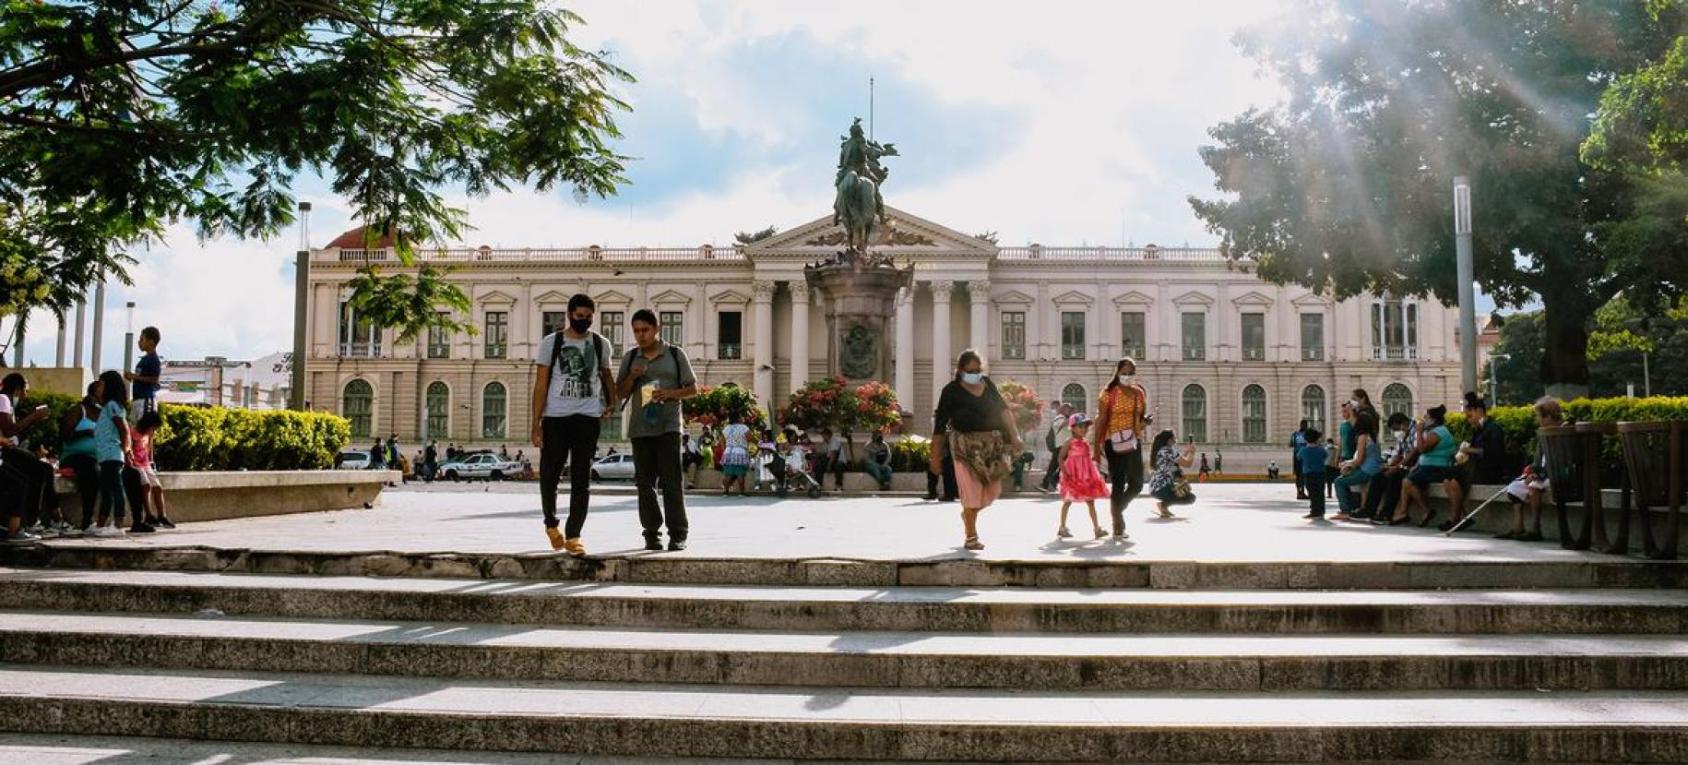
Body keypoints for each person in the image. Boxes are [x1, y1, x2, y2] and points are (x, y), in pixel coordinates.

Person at [531, 292, 617, 556]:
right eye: (580, 316)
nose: (585, 321)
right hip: (556, 419)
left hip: (587, 419)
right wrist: (536, 424)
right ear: (570, 314)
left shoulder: (601, 344)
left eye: (590, 317)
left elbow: (606, 374)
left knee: (582, 480)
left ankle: (574, 535)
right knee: (549, 476)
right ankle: (551, 524)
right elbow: (542, 384)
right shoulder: (552, 343)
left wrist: (611, 401)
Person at [615, 308, 698, 551]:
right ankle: (651, 532)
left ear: (656, 329)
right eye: (636, 331)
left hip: (669, 427)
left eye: (645, 330)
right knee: (644, 484)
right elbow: (620, 393)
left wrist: (670, 394)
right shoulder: (631, 358)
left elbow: (692, 388)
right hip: (640, 428)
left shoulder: (674, 354)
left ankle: (678, 533)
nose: (641, 335)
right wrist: (632, 376)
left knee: (672, 482)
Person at [930, 349, 1021, 551]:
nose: (974, 373)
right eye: (970, 370)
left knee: (993, 491)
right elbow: (939, 427)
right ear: (961, 370)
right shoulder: (951, 391)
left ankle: (968, 514)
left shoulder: (988, 385)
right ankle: (971, 536)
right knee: (971, 493)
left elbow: (1004, 410)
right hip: (964, 447)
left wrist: (1015, 436)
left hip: (991, 447)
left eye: (978, 369)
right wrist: (934, 458)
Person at [1, 372, 70, 540]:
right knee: (35, 474)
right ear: (18, 389)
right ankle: (33, 521)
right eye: (26, 390)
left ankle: (44, 519)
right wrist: (33, 416)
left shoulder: (8, 402)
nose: (26, 395)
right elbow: (10, 430)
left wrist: (33, 420)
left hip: (9, 448)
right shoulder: (3, 399)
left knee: (42, 470)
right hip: (6, 450)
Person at [1093, 357, 1149, 538]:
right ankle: (1119, 525)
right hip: (1112, 441)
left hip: (1133, 440)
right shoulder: (1108, 393)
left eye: (1131, 373)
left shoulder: (1138, 393)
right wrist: (1096, 448)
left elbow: (1140, 417)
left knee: (1137, 484)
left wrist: (1144, 422)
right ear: (1117, 372)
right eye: (1124, 372)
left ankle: (1117, 511)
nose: (1127, 376)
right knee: (1117, 483)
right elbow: (1100, 421)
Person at [1499, 397, 1562, 541]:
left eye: (1540, 417)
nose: (1538, 421)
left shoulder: (1563, 432)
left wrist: (1540, 475)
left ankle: (1535, 529)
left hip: (1556, 476)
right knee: (1514, 487)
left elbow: (1561, 461)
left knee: (1534, 486)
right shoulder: (1543, 434)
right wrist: (1532, 471)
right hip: (1542, 476)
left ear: (1549, 416)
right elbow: (1537, 461)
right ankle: (1518, 527)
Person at [92, 370, 147, 535]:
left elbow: (123, 429)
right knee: (107, 490)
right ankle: (101, 524)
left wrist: (126, 449)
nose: (98, 388)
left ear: (109, 387)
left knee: (115, 489)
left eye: (101, 384)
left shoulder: (112, 406)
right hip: (106, 455)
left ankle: (117, 524)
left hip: (112, 454)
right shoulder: (108, 407)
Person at [1400, 405, 1460, 528]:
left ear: (1432, 420)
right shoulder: (1434, 431)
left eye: (1426, 417)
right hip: (1427, 467)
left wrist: (1419, 431)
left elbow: (1422, 449)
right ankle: (1407, 511)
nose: (1424, 420)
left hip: (1438, 468)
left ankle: (1426, 510)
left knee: (1407, 482)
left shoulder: (1438, 432)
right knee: (1408, 480)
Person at [59, 380, 105, 532]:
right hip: (74, 457)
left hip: (96, 457)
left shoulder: (104, 413)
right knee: (91, 470)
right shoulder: (79, 410)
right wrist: (85, 433)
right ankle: (87, 519)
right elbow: (65, 435)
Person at [1055, 414, 1109, 539]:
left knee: (1091, 502)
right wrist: (1065, 472)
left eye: (1085, 427)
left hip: (1086, 476)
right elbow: (1060, 458)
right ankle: (1062, 527)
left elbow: (1088, 459)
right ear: (1072, 428)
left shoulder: (1085, 443)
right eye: (1080, 427)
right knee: (1067, 501)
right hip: (1072, 475)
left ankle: (1097, 529)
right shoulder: (1069, 442)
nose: (1083, 429)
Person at [1369, 412, 1421, 525]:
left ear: (1403, 423)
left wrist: (1398, 467)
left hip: (1414, 466)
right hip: (1402, 464)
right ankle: (1370, 511)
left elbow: (1415, 452)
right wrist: (1390, 465)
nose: (1396, 432)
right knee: (1378, 477)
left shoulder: (1416, 429)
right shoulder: (1402, 435)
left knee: (1394, 479)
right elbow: (1398, 453)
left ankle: (1387, 513)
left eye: (1396, 429)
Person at [1332, 407, 1382, 522]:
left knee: (1339, 482)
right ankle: (1357, 508)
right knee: (1357, 483)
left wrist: (1346, 464)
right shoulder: (1374, 436)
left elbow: (1359, 460)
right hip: (1375, 468)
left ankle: (1345, 511)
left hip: (1367, 470)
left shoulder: (1362, 437)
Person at [131, 411, 174, 528]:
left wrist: (151, 461)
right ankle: (149, 515)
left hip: (145, 463)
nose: (153, 431)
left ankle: (162, 515)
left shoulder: (148, 434)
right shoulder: (133, 432)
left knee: (158, 487)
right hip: (135, 464)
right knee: (146, 485)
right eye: (153, 428)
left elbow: (148, 449)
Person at [1146, 429, 1196, 519]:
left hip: (1155, 488)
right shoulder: (1169, 450)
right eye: (1174, 438)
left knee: (1186, 494)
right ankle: (1163, 505)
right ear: (1169, 440)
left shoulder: (1160, 450)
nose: (1176, 440)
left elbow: (1177, 461)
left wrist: (1187, 452)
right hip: (1163, 488)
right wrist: (1192, 452)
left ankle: (1164, 507)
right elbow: (1187, 464)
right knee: (1190, 498)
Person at [124, 326, 162, 422]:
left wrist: (134, 377)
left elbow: (154, 379)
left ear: (151, 342)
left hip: (146, 400)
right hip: (138, 399)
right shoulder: (144, 359)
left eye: (142, 339)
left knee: (143, 430)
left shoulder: (153, 359)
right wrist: (133, 378)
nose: (139, 342)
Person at [1038, 402, 1075, 494]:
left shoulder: (1066, 419)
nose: (1069, 411)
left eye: (1070, 409)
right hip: (1060, 446)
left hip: (1064, 445)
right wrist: (1073, 419)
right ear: (1063, 409)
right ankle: (1049, 483)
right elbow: (1061, 425)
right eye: (1067, 409)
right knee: (1057, 465)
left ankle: (1047, 484)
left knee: (1057, 465)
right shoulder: (1060, 418)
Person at [1299, 428, 1328, 520]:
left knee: (1312, 493)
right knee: (1320, 492)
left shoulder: (1303, 450)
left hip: (1308, 474)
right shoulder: (1321, 450)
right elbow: (1325, 456)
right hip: (1320, 473)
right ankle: (1321, 510)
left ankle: (1314, 511)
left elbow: (1299, 457)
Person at [719, 413, 752, 496]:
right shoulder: (743, 427)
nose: (743, 418)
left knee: (728, 473)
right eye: (741, 416)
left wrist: (725, 450)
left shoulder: (727, 428)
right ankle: (742, 492)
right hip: (739, 452)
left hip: (728, 452)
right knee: (740, 472)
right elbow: (750, 438)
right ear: (738, 418)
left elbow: (722, 441)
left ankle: (725, 492)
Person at [1290, 420, 1310, 499]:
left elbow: (1291, 444)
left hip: (1296, 456)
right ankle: (1303, 492)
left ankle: (1299, 492)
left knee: (1298, 475)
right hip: (1305, 456)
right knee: (1305, 475)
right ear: (1306, 426)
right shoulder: (1307, 434)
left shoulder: (1295, 434)